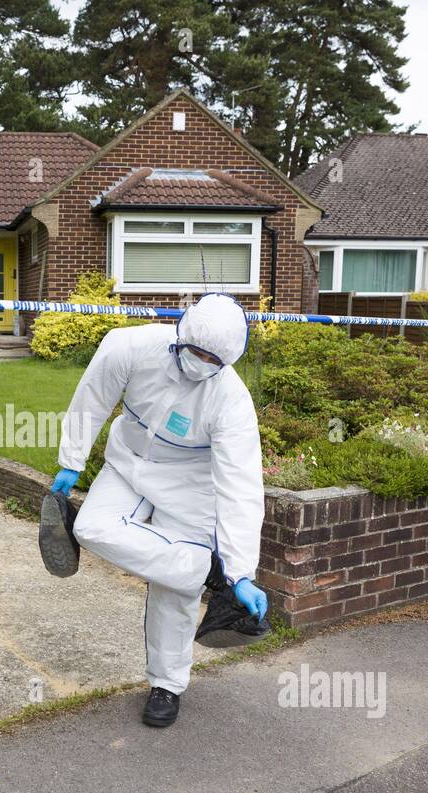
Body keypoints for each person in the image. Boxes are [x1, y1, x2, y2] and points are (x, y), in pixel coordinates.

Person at [40, 293, 268, 728]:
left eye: (213, 360)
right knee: (89, 528)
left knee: (174, 591)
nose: (202, 362)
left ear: (228, 361)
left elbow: (241, 485)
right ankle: (204, 569)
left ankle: (167, 684)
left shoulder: (232, 403)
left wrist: (241, 569)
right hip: (127, 465)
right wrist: (71, 460)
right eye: (195, 352)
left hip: (190, 484)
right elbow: (92, 397)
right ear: (179, 333)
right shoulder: (129, 346)